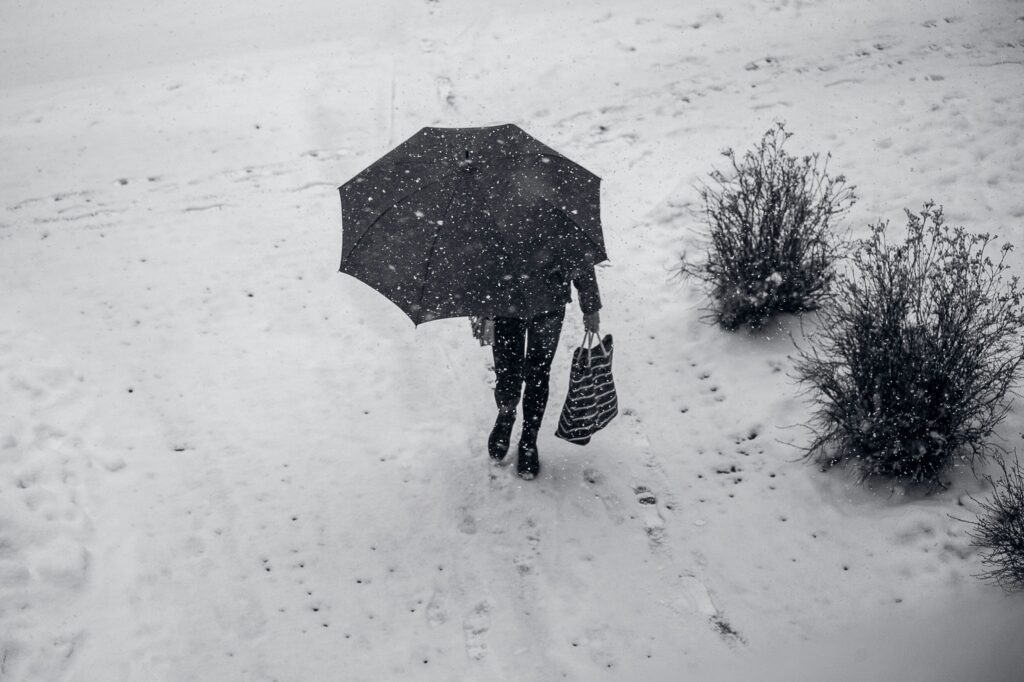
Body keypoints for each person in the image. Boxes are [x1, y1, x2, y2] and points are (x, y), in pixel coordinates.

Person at [479, 263, 602, 480]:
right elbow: (479, 256)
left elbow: (578, 252)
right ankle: (506, 416)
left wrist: (590, 306)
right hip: (505, 298)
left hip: (549, 300)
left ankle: (529, 438)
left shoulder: (561, 227)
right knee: (507, 371)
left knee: (538, 372)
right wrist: (482, 305)